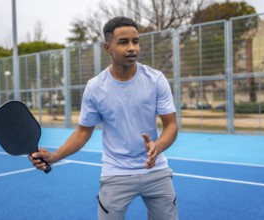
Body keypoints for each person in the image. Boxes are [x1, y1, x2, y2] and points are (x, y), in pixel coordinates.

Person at [29, 16, 179, 220]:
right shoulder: (95, 87)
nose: (132, 48)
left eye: (135, 41)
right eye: (123, 42)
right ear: (107, 48)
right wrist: (55, 157)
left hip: (156, 170)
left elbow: (171, 125)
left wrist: (157, 147)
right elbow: (83, 132)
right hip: (115, 172)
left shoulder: (155, 79)